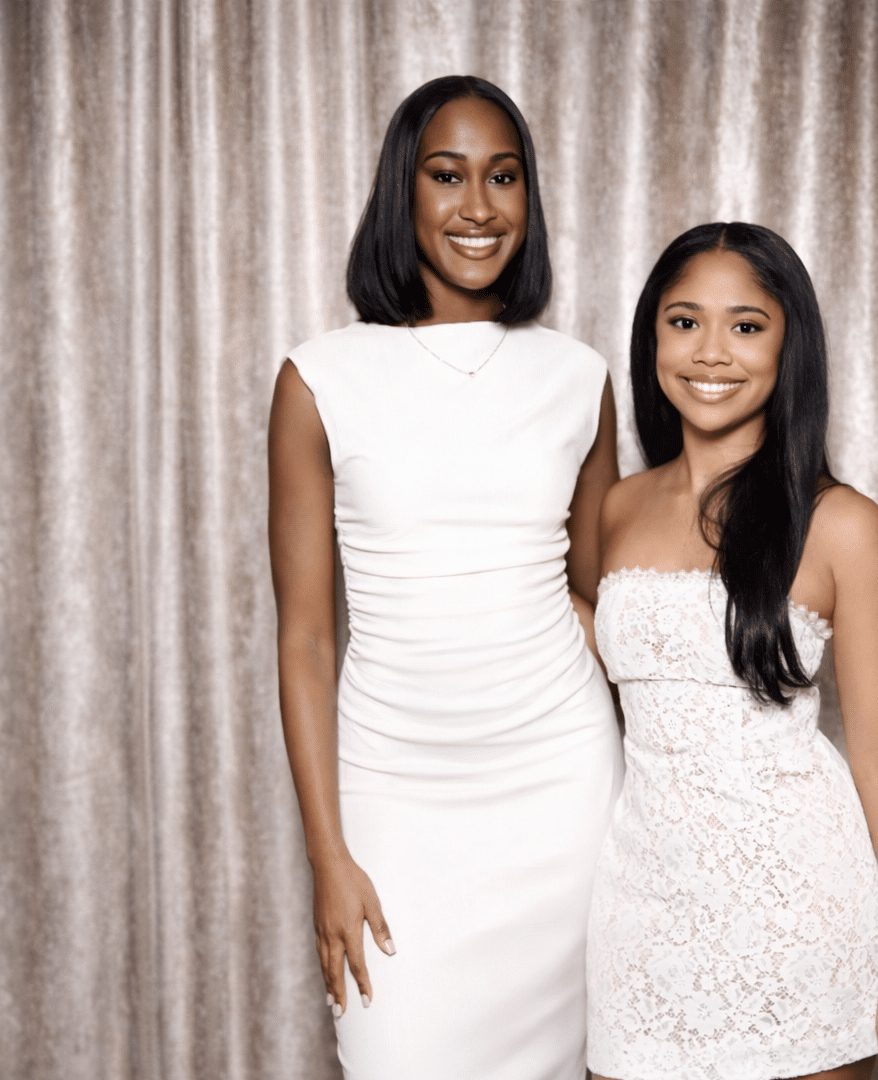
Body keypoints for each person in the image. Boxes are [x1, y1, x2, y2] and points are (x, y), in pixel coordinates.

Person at [267, 75, 623, 1080]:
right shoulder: (318, 378)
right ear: (404, 193)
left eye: (503, 177)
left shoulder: (579, 377)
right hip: (392, 797)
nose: (479, 206)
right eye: (448, 176)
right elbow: (303, 636)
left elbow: (599, 602)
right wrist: (327, 858)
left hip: (562, 795)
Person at [585, 223, 878, 1080]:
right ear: (652, 339)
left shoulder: (843, 525)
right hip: (640, 921)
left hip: (798, 922)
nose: (712, 352)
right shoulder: (618, 509)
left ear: (791, 346)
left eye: (746, 326)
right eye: (684, 322)